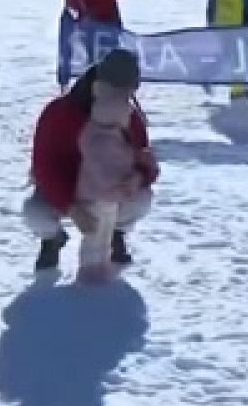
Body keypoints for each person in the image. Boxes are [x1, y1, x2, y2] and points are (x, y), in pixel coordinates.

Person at [25, 48, 158, 272]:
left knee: (143, 198)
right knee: (35, 212)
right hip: (65, 189)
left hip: (108, 193)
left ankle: (116, 232)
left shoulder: (130, 117)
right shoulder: (58, 113)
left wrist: (138, 177)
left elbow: (146, 161)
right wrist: (70, 205)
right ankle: (52, 239)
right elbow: (44, 167)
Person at [75, 83, 144, 283]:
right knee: (94, 235)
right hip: (96, 197)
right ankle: (89, 269)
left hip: (107, 198)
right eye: (125, 116)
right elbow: (104, 172)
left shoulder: (101, 134)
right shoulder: (103, 141)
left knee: (103, 234)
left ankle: (100, 266)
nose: (128, 119)